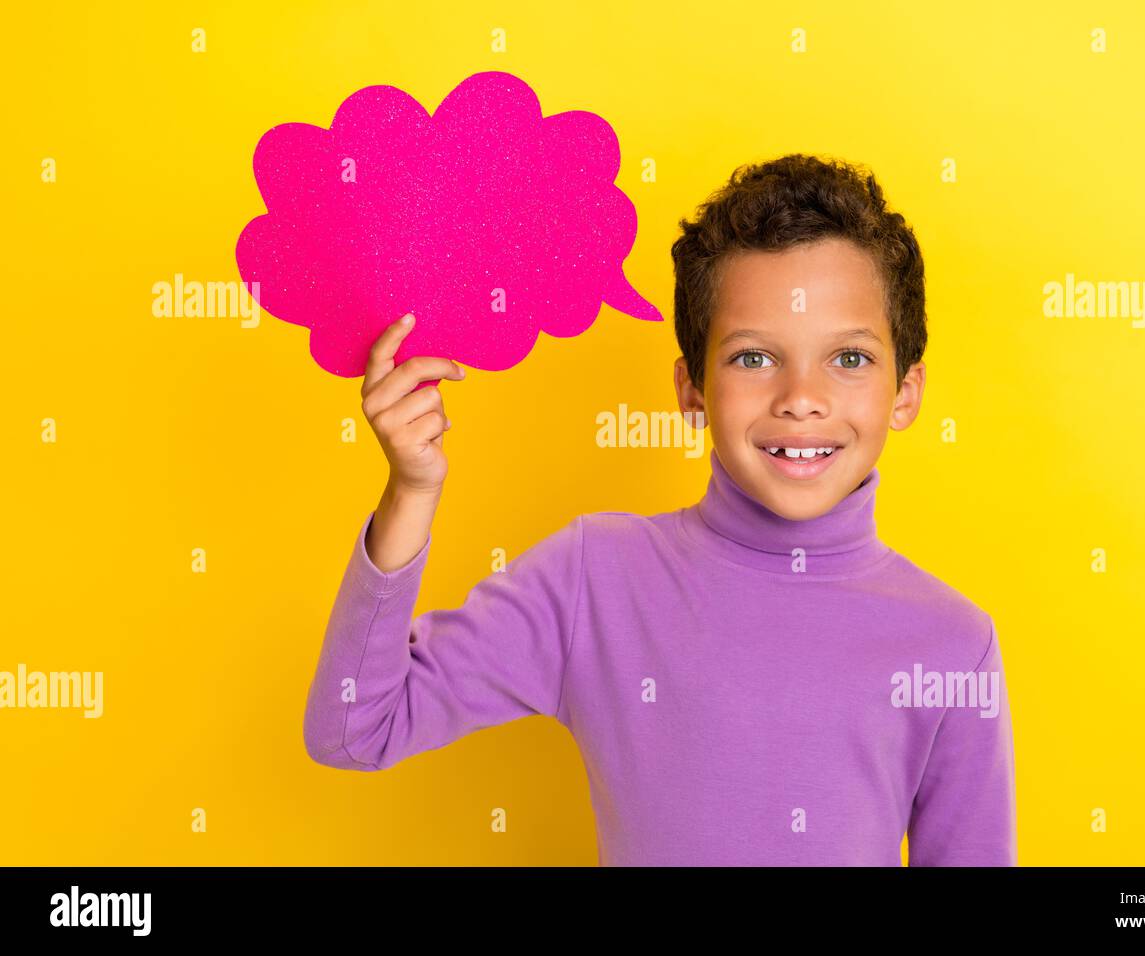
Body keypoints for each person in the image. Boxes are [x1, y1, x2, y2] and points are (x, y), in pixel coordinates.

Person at [302, 153, 1016, 866]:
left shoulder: (953, 643)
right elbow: (355, 729)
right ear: (692, 388)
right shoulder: (597, 577)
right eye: (753, 358)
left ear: (906, 393)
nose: (802, 397)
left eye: (850, 359)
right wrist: (411, 492)